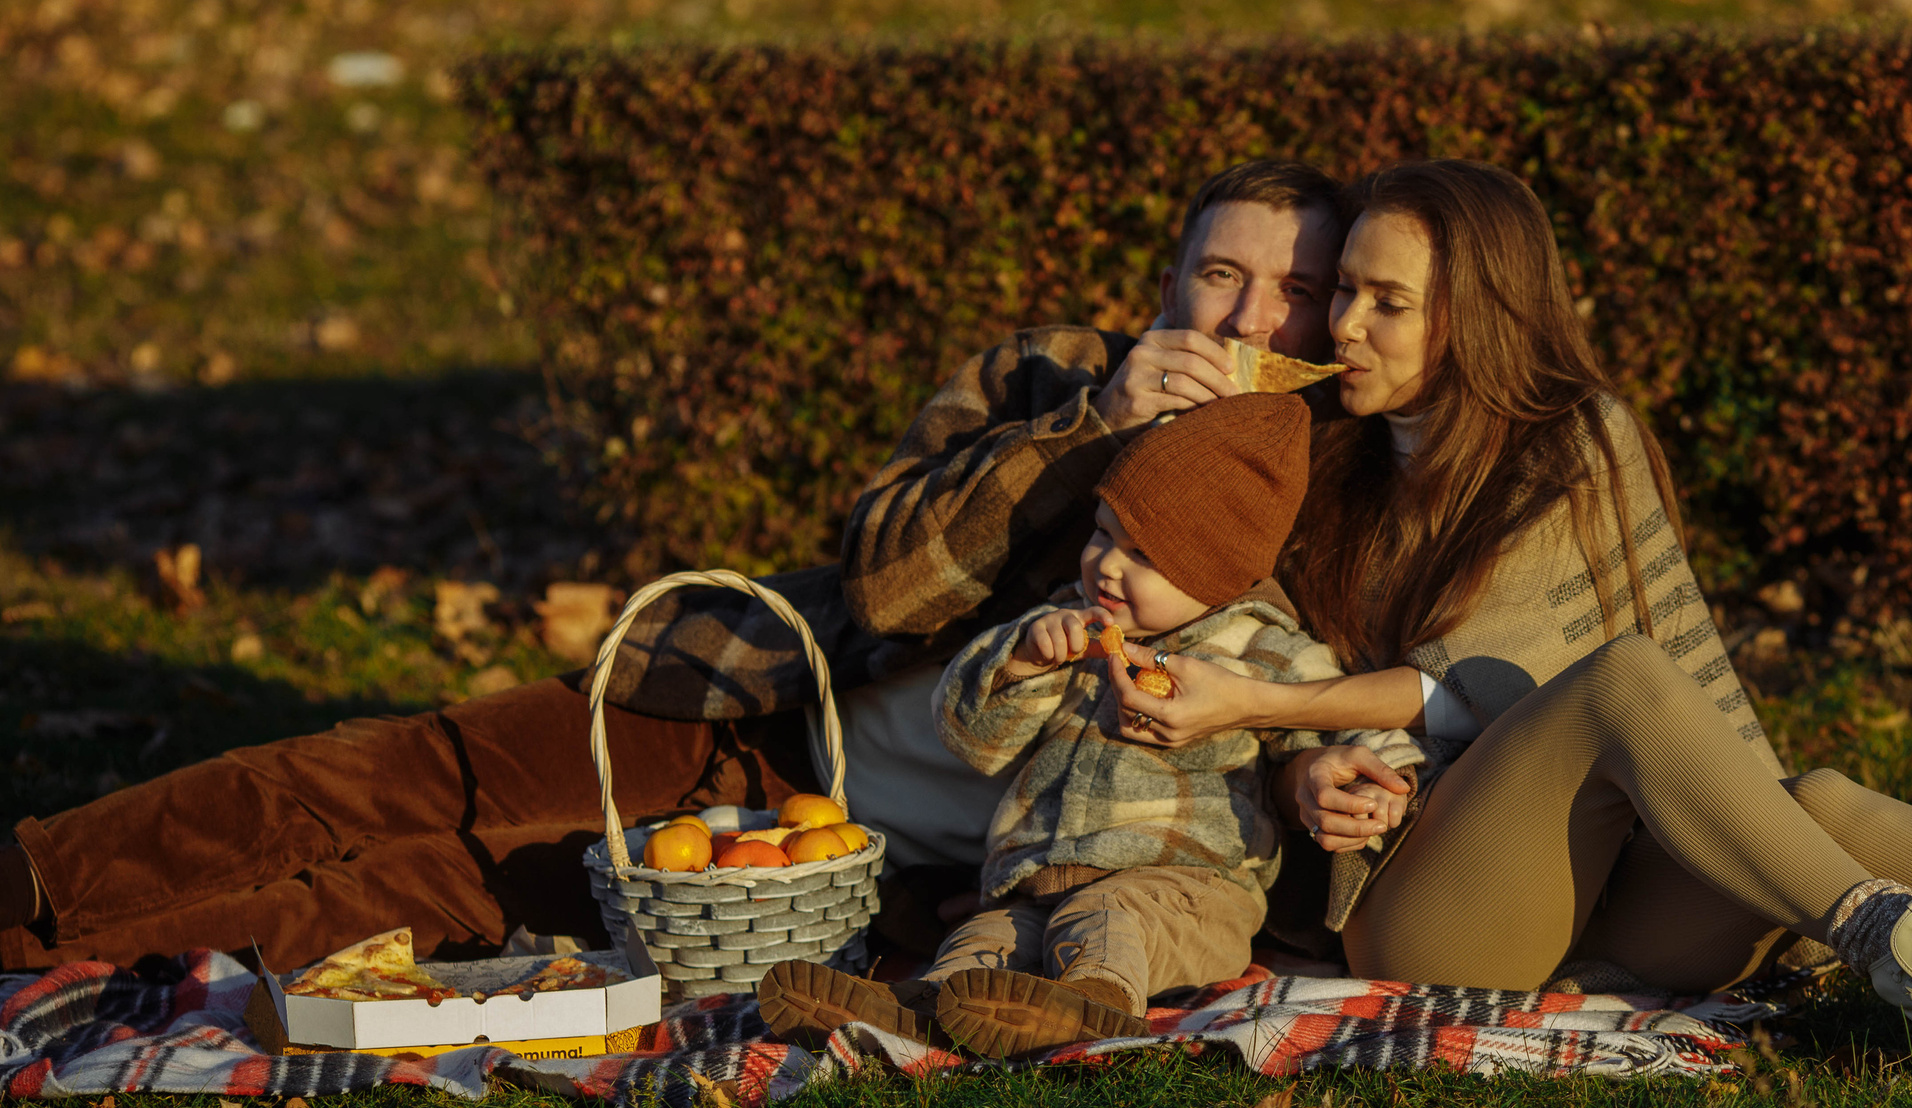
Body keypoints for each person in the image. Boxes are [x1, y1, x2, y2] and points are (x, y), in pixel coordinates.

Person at [1106, 160, 1912, 1108]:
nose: (1343, 332)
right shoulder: (1320, 467)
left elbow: (1499, 675)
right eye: (1349, 297)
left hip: (1625, 893)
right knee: (1627, 688)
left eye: (1391, 305)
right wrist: (1285, 746)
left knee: (1807, 796)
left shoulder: (1572, 440)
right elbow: (1336, 675)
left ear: (1480, 315)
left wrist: (1261, 710)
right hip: (1431, 915)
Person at [0, 159, 1343, 974]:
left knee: (431, 885)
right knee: (385, 765)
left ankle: (51, 959)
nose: (1242, 317)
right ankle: (28, 881)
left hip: (836, 860)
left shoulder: (1292, 509)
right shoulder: (1051, 374)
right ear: (1166, 283)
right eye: (1215, 275)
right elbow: (882, 578)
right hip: (738, 695)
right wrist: (1091, 425)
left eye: (1286, 292)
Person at [765, 393, 1417, 1058]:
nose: (1106, 563)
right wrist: (1020, 660)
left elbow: (1334, 721)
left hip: (1184, 891)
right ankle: (918, 1012)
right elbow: (970, 730)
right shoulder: (1068, 625)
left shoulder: (1259, 647)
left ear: (1215, 575)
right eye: (1103, 533)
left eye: (1142, 554)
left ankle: (1097, 1007)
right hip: (1038, 878)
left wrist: (1365, 779)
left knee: (1105, 919)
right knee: (987, 940)